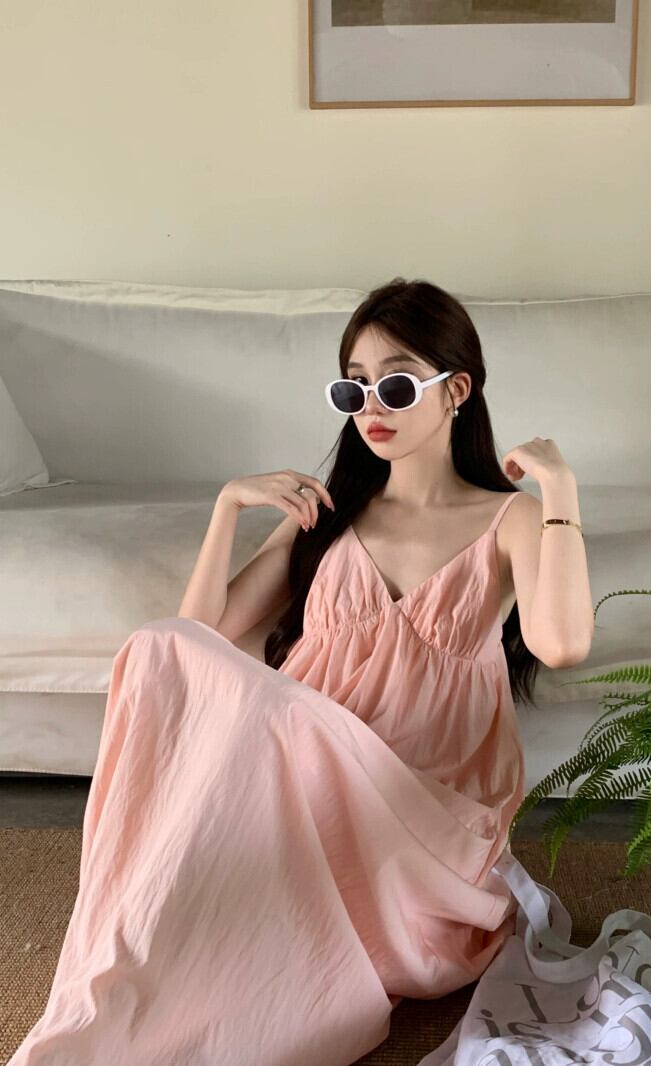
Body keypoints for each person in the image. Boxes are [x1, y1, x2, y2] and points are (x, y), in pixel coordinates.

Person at [8, 277, 593, 1066]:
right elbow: (193, 643)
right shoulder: (331, 514)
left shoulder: (509, 517)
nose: (371, 407)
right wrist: (227, 507)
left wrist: (560, 490)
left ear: (456, 390)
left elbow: (561, 644)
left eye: (394, 385)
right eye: (352, 387)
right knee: (155, 650)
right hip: (302, 790)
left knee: (272, 713)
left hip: (417, 810)